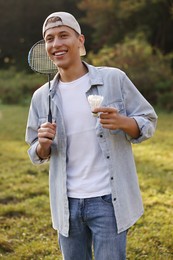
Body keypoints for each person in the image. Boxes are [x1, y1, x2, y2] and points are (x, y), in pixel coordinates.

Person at [25, 11, 158, 260]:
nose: (56, 44)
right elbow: (35, 152)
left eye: (64, 35)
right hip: (66, 204)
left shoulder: (113, 79)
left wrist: (123, 122)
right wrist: (42, 145)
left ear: (80, 41)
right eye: (50, 38)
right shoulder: (41, 97)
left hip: (109, 200)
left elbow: (148, 121)